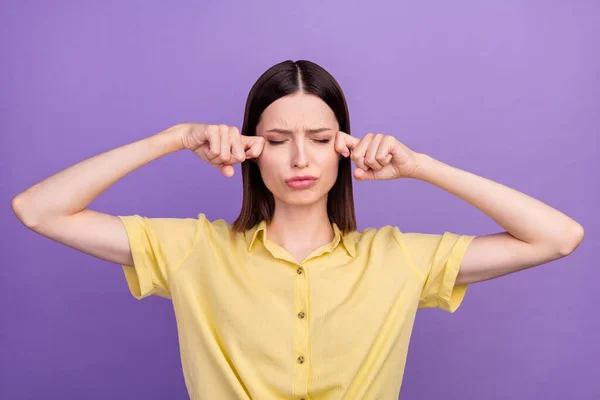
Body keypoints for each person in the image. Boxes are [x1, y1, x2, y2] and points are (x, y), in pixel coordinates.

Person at [11, 60, 584, 400]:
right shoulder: (193, 249)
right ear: (253, 150)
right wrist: (176, 137)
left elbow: (557, 236)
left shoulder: (397, 258)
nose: (300, 160)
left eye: (320, 138)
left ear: (346, 148)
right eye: (280, 141)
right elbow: (38, 209)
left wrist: (420, 166)